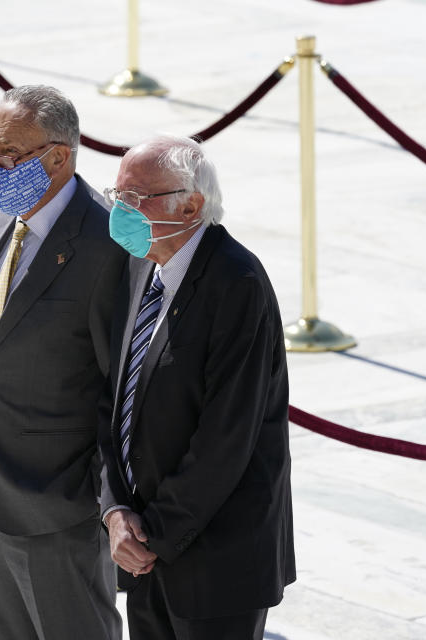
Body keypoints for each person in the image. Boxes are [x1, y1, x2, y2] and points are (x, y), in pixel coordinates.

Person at [0, 85, 125, 640]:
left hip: (55, 508)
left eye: (11, 155)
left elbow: (121, 388)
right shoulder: (1, 219)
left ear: (59, 156)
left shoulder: (111, 242)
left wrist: (99, 500)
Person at [99, 135, 295, 640]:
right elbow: (116, 399)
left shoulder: (237, 282)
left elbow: (226, 438)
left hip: (214, 561)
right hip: (146, 549)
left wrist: (153, 537)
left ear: (191, 204)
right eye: (118, 195)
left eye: (137, 198)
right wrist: (116, 511)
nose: (122, 210)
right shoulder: (143, 265)